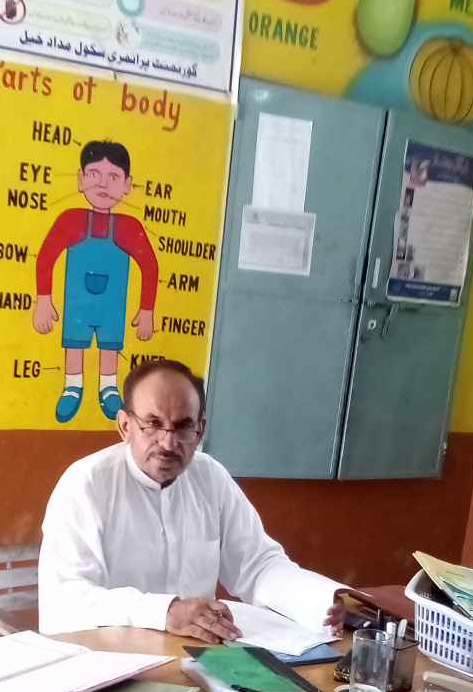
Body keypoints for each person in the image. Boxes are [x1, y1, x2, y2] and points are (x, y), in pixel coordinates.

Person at [38, 358, 345, 639]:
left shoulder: (210, 477)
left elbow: (257, 564)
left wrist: (322, 599)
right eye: (153, 423)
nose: (168, 443)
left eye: (183, 426)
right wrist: (165, 611)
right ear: (125, 426)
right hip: (112, 661)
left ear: (200, 429)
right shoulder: (86, 484)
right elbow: (66, 600)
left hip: (200, 656)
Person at [32, 140, 158, 425]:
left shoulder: (130, 227)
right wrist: (44, 299)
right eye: (93, 174)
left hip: (112, 305)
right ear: (81, 180)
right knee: (75, 342)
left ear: (127, 185)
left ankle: (108, 387)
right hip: (78, 303)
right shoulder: (70, 220)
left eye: (113, 177)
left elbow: (150, 266)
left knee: (109, 344)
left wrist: (147, 310)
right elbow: (47, 256)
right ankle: (72, 386)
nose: (103, 183)